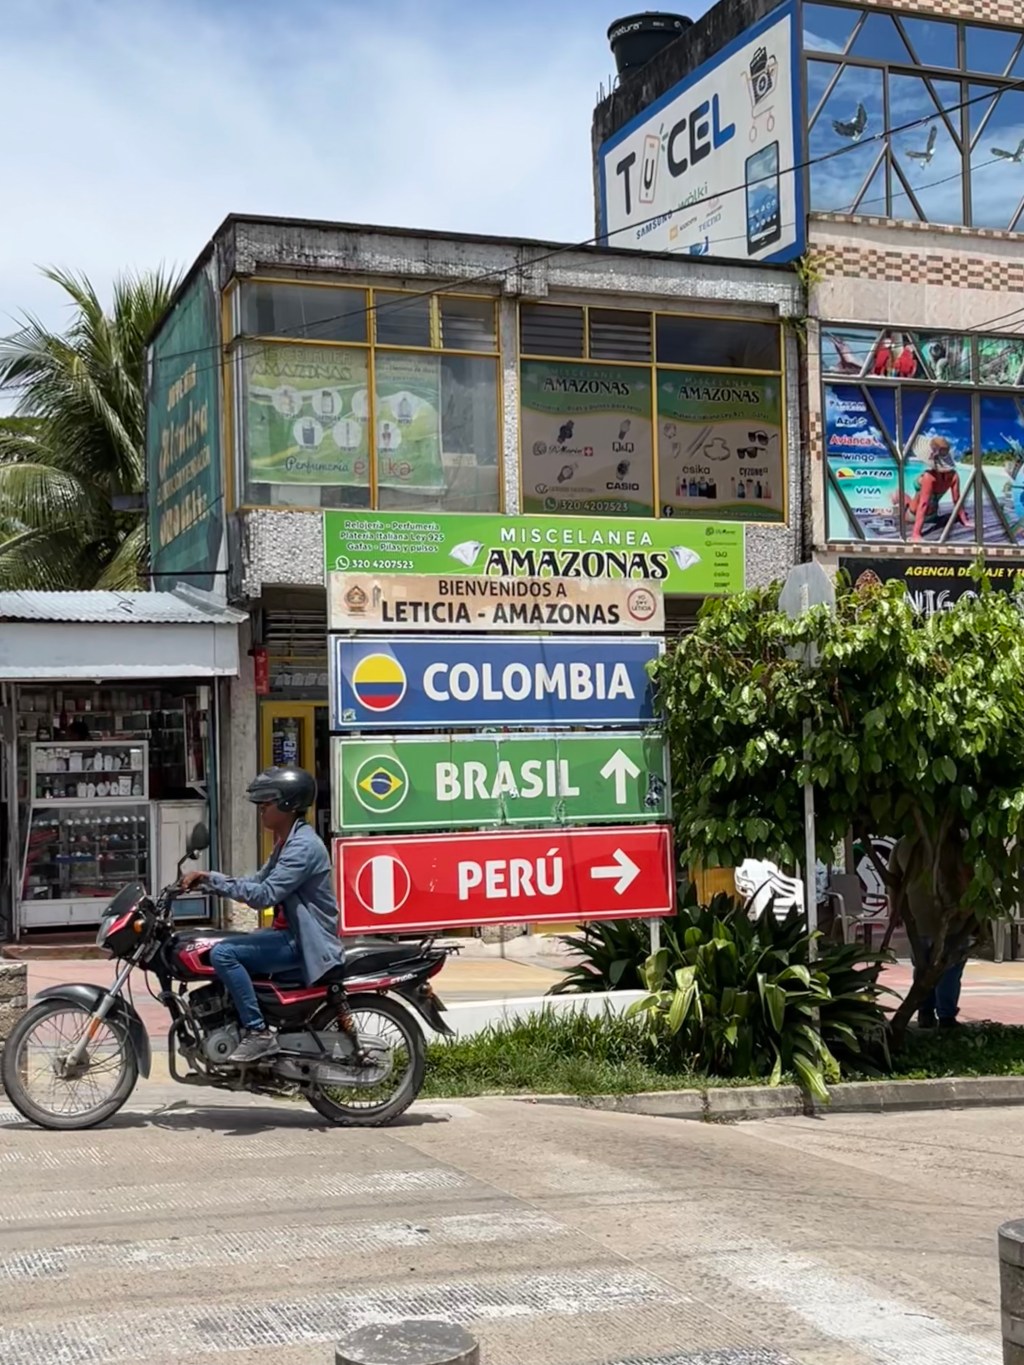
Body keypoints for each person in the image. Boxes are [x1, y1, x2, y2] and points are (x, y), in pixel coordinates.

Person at [181, 765, 345, 1064]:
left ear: (288, 804)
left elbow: (264, 895)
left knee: (224, 955)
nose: (261, 811)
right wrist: (208, 879)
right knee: (233, 943)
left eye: (266, 804)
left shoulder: (303, 847)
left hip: (303, 941)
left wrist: (215, 882)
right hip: (289, 935)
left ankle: (258, 1033)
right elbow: (258, 880)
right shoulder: (288, 841)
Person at [889, 835, 971, 1029]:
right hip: (951, 917)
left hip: (918, 917)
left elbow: (893, 881)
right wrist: (967, 911)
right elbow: (965, 877)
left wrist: (896, 909)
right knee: (950, 967)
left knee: (923, 966)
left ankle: (925, 1012)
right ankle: (946, 1016)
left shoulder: (903, 843)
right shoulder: (954, 841)